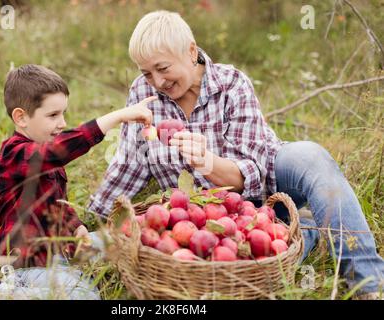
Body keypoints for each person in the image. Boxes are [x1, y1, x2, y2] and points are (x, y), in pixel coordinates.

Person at [87, 10, 384, 299]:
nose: (157, 82)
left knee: (310, 156)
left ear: (191, 52)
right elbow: (129, 163)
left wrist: (207, 162)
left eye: (163, 68)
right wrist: (88, 221)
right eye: (147, 73)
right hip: (207, 219)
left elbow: (253, 170)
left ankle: (368, 284)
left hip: (265, 188)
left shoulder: (231, 83)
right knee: (249, 256)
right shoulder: (144, 94)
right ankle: (300, 232)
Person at [0, 64, 156, 299]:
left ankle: (58, 281)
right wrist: (117, 117)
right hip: (29, 263)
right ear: (21, 117)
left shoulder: (47, 157)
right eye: (52, 115)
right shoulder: (15, 154)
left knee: (119, 239)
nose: (61, 123)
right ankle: (9, 291)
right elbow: (59, 151)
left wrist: (76, 226)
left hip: (62, 252)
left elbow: (56, 203)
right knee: (85, 295)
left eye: (63, 114)